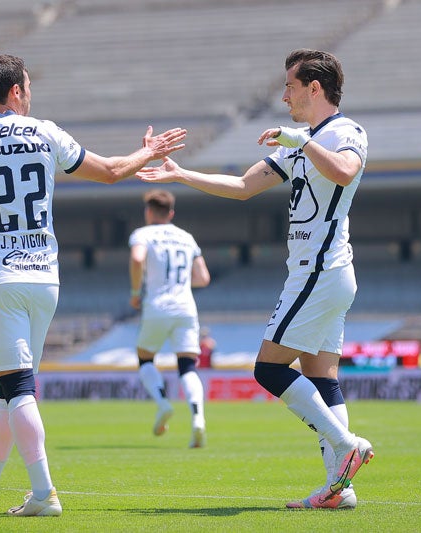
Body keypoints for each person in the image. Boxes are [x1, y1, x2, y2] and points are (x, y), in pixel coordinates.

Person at [0, 54, 186, 517]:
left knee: (18, 386)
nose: (31, 93)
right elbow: (109, 171)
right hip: (45, 277)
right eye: (28, 85)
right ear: (16, 92)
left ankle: (44, 495)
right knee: (14, 387)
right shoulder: (46, 132)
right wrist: (149, 152)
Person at [136, 49, 373, 510]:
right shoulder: (301, 140)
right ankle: (338, 489)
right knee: (322, 377)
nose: (284, 96)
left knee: (268, 368)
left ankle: (346, 445)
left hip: (321, 272)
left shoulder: (346, 132)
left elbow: (344, 172)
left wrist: (301, 142)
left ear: (314, 88)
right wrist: (181, 174)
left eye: (290, 86)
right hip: (318, 274)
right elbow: (243, 187)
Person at [129, 189, 211, 448]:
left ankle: (163, 403)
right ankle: (198, 418)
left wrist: (135, 291)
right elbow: (203, 278)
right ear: (171, 213)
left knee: (145, 358)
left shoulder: (143, 234)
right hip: (186, 306)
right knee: (187, 366)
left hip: (156, 305)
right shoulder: (186, 237)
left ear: (149, 211)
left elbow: (137, 258)